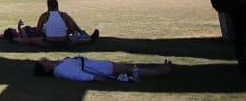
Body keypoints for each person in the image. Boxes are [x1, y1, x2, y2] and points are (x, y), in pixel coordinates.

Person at [33, 56, 173, 81]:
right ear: (46, 70)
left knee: (129, 69)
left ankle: (157, 70)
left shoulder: (58, 67)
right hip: (101, 69)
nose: (46, 59)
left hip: (99, 66)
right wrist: (94, 78)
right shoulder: (60, 71)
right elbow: (77, 75)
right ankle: (160, 72)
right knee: (131, 71)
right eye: (44, 62)